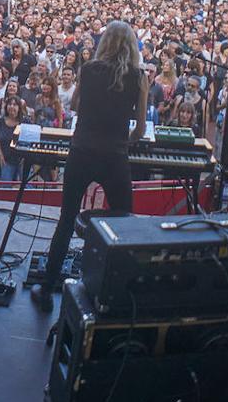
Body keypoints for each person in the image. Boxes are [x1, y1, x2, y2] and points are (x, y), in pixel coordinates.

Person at [31, 21, 147, 312]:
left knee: (66, 221)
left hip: (82, 152)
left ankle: (46, 289)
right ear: (131, 45)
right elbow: (141, 129)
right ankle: (119, 298)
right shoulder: (138, 77)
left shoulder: (89, 70)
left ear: (104, 42)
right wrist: (125, 138)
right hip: (115, 157)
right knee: (125, 224)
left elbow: (76, 105)